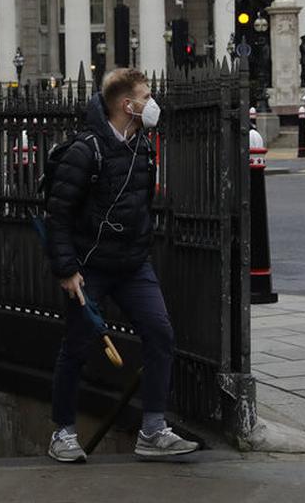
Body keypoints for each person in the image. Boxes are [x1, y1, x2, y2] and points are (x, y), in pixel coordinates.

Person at [44, 68, 199, 462]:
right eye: (145, 97)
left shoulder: (143, 147)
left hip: (132, 265)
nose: (151, 104)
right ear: (126, 105)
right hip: (90, 268)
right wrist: (66, 270)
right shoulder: (85, 151)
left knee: (160, 333)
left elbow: (143, 203)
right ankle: (62, 432)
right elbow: (58, 215)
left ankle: (152, 430)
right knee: (77, 347)